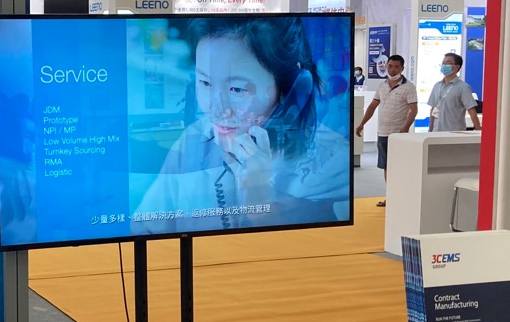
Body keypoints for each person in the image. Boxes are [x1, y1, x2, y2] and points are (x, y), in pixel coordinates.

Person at [134, 17, 349, 234]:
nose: (217, 109)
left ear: (294, 89)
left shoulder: (332, 165)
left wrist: (261, 200)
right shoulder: (195, 141)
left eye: (237, 89)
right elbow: (144, 227)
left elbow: (324, 250)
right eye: (205, 83)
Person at [355, 54, 417, 207]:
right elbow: (372, 106)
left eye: (396, 66)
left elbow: (413, 110)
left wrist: (405, 128)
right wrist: (362, 124)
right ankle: (390, 197)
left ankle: (401, 198)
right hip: (382, 133)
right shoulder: (382, 85)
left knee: (398, 167)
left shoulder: (409, 87)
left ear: (402, 68)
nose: (392, 69)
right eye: (390, 66)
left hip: (398, 135)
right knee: (386, 167)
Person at [427, 52, 481, 132]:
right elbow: (433, 109)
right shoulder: (437, 86)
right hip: (436, 131)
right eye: (443, 63)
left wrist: (478, 130)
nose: (444, 65)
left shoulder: (463, 87)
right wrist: (430, 129)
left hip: (454, 132)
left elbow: (471, 110)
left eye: (448, 63)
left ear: (457, 67)